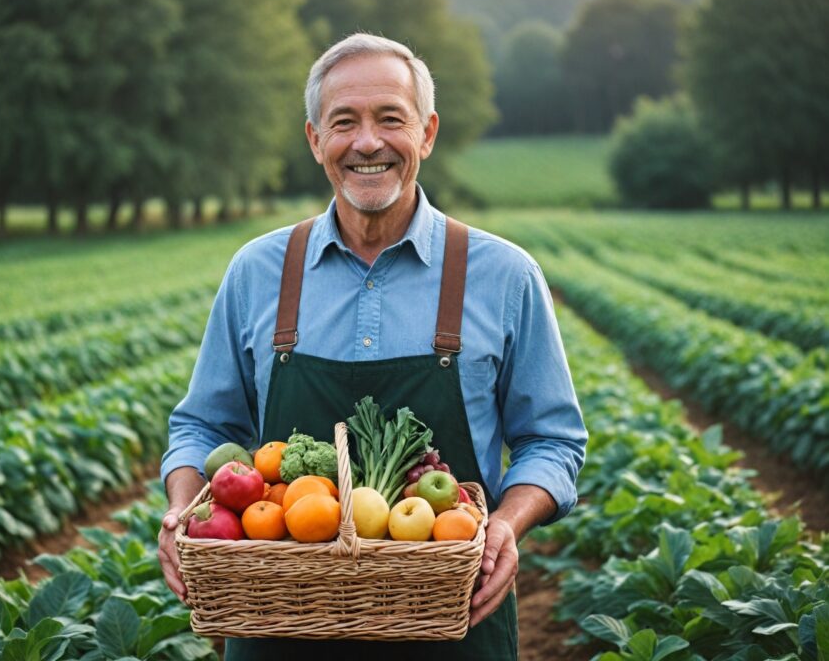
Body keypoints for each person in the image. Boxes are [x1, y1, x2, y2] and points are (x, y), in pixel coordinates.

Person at [158, 33, 587, 660]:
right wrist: (182, 514)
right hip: (280, 620)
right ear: (314, 140)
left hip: (452, 615)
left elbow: (553, 439)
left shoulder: (504, 275)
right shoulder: (258, 271)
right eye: (344, 122)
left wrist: (505, 524)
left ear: (427, 133)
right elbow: (202, 424)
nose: (367, 142)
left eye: (391, 118)